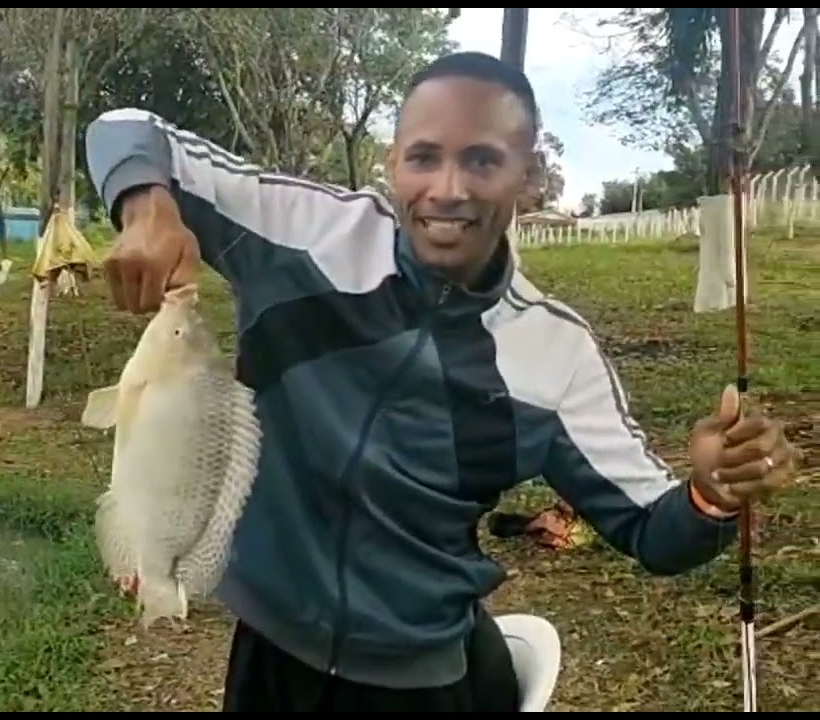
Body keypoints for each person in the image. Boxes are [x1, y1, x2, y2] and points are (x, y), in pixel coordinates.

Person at [82, 51, 804, 712]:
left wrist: (713, 495)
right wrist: (148, 210)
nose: (448, 190)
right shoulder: (303, 232)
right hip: (272, 656)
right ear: (393, 162)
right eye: (424, 157)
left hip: (425, 682)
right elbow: (126, 127)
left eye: (483, 161)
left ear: (529, 177)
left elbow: (654, 530)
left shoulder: (556, 355)